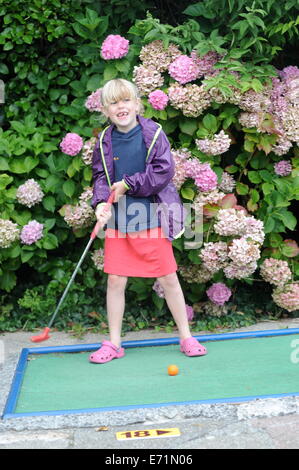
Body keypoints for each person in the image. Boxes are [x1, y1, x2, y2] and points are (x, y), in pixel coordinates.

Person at [89, 78, 207, 363]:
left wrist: (128, 183)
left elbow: (163, 171)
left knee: (167, 277)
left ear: (137, 103)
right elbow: (100, 177)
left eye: (126, 100)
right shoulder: (104, 139)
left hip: (151, 215)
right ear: (105, 109)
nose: (121, 106)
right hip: (120, 220)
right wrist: (99, 206)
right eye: (114, 102)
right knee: (116, 280)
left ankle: (186, 336)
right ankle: (115, 343)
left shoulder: (153, 133)